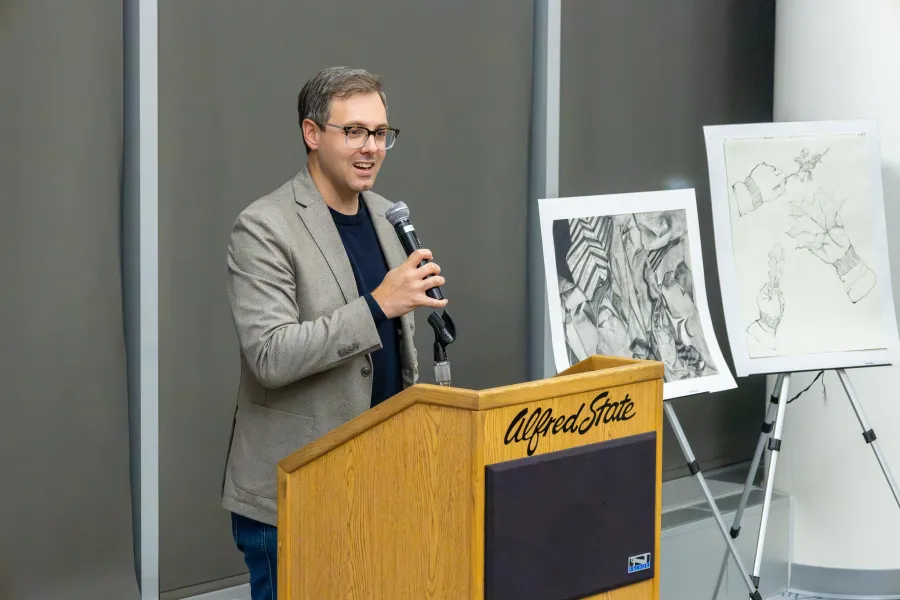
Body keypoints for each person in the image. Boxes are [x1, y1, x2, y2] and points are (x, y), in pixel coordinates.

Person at [221, 66, 448, 600]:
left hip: (380, 481)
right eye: (354, 131)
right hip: (300, 490)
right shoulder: (264, 226)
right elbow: (270, 356)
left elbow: (397, 353)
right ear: (312, 133)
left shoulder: (385, 215)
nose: (371, 147)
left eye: (380, 133)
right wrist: (376, 305)